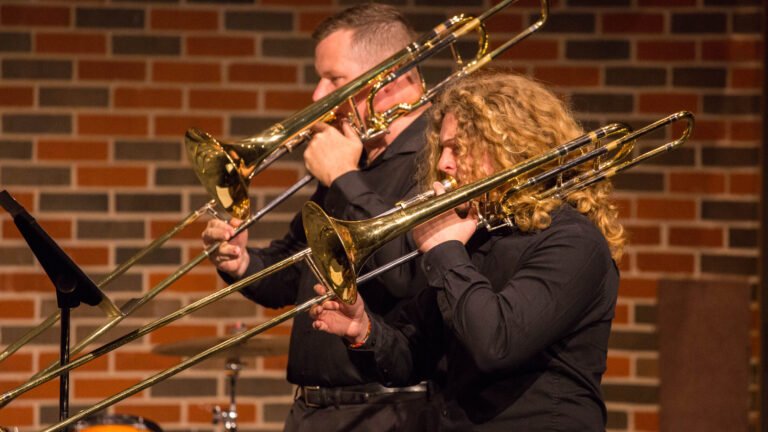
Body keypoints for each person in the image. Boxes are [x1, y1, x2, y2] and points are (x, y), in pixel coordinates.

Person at [310, 69, 627, 431]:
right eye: (443, 148)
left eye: (457, 147)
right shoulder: (474, 237)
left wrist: (444, 249)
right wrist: (363, 329)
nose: (444, 163)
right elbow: (415, 354)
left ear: (512, 147)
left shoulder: (572, 241)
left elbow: (497, 344)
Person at [202, 3, 430, 431]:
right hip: (314, 411)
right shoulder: (357, 158)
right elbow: (297, 270)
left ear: (387, 78)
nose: (317, 96)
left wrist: (345, 177)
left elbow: (407, 271)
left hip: (390, 412)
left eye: (335, 79)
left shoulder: (436, 158)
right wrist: (243, 261)